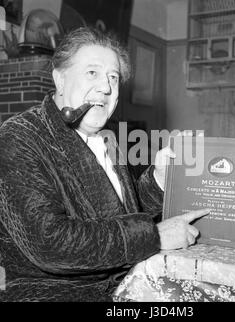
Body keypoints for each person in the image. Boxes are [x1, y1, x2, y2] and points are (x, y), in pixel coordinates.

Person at [0, 27, 209, 302]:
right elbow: (50, 244)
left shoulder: (107, 138)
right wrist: (154, 236)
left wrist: (158, 179)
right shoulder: (19, 136)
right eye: (92, 73)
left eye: (113, 77)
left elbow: (122, 216)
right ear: (59, 79)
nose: (106, 87)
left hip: (127, 286)